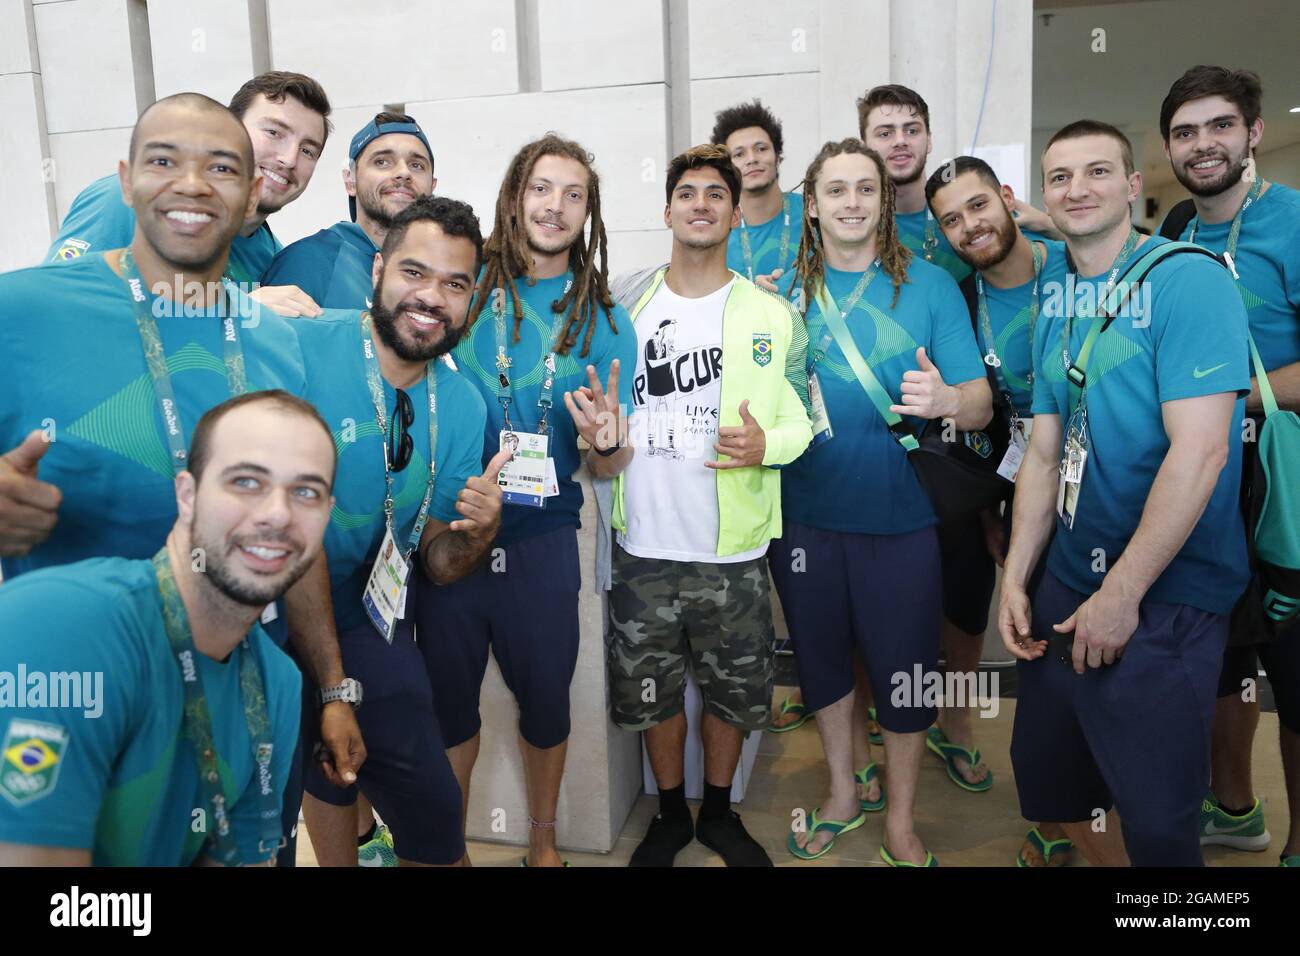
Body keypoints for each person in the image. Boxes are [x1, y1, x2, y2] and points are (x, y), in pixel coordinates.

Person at [0, 92, 363, 867]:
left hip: (243, 702)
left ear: (250, 193)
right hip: (72, 700)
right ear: (126, 178)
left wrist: (331, 686)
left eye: (222, 167)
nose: (194, 184)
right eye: (165, 161)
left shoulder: (272, 340)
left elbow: (283, 526)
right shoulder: (20, 310)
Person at [999, 120, 1251, 866]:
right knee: (1055, 779)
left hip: (1165, 593)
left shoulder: (1190, 280)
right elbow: (1044, 455)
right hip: (1068, 581)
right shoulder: (1058, 300)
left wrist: (1123, 591)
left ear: (1134, 187)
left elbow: (1201, 452)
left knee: (1159, 814)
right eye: (1061, 177)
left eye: (1098, 172)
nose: (1077, 189)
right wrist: (1016, 576)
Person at [768, 139, 989, 865]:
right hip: (803, 517)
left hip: (902, 522)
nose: (853, 202)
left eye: (866, 188)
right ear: (813, 203)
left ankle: (899, 816)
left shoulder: (929, 288)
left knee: (906, 671)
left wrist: (951, 398)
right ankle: (840, 791)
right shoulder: (778, 293)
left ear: (885, 200)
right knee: (824, 665)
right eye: (836, 191)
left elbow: (983, 403)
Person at [417, 134, 636, 867]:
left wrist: (605, 441)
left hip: (543, 537)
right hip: (448, 526)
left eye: (575, 194)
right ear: (516, 195)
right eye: (543, 188)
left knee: (545, 698)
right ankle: (447, 845)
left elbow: (612, 460)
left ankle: (542, 841)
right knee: (450, 701)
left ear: (589, 213)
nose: (557, 205)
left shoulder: (604, 319)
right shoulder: (468, 283)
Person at [0, 390, 336, 865]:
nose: (277, 514)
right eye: (245, 481)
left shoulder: (277, 684)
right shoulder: (61, 626)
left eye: (306, 492)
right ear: (188, 495)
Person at [605, 144, 811, 867]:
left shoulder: (772, 315)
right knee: (651, 689)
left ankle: (720, 813)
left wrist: (768, 446)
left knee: (735, 692)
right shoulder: (623, 307)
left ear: (733, 210)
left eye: (715, 193)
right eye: (687, 192)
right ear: (667, 211)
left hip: (735, 552)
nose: (700, 203)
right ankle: (668, 813)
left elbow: (802, 420)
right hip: (644, 545)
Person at [293, 196, 506, 868]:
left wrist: (480, 532)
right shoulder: (299, 342)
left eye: (454, 284)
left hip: (357, 603)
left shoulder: (463, 402)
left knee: (432, 805)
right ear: (378, 269)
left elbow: (439, 563)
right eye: (415, 273)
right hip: (253, 606)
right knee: (280, 790)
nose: (431, 298)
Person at [1157, 66, 1300, 867]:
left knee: (1296, 669)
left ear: (1252, 131)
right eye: (1185, 132)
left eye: (1218, 127)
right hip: (1205, 487)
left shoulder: (1293, 222)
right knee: (1226, 658)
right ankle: (1238, 809)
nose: (1202, 144)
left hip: (1285, 482)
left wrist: (1228, 398)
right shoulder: (1177, 229)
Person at [925, 156, 1074, 864]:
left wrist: (1056, 223)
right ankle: (1058, 812)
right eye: (952, 219)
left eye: (980, 206)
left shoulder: (1078, 267)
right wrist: (989, 498)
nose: (970, 226)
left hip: (1109, 492)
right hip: (1020, 488)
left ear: (1009, 200)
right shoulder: (961, 297)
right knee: (1037, 647)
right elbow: (983, 412)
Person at [48, 71, 332, 318]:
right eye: (274, 132)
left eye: (308, 150)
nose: (289, 158)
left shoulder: (274, 256)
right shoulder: (135, 200)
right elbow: (60, 302)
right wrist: (233, 307)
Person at [261, 113, 437, 310]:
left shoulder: (448, 272)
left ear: (432, 185)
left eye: (417, 165)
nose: (404, 173)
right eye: (382, 162)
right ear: (350, 180)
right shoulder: (309, 262)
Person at [857, 85, 970, 283]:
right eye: (885, 133)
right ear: (864, 147)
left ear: (929, 140)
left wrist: (1045, 225)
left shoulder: (968, 215)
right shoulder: (852, 225)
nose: (900, 141)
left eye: (912, 130)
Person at [710, 99, 804, 285]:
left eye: (761, 149)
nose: (752, 159)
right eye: (739, 154)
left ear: (777, 156)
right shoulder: (716, 232)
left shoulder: (813, 216)